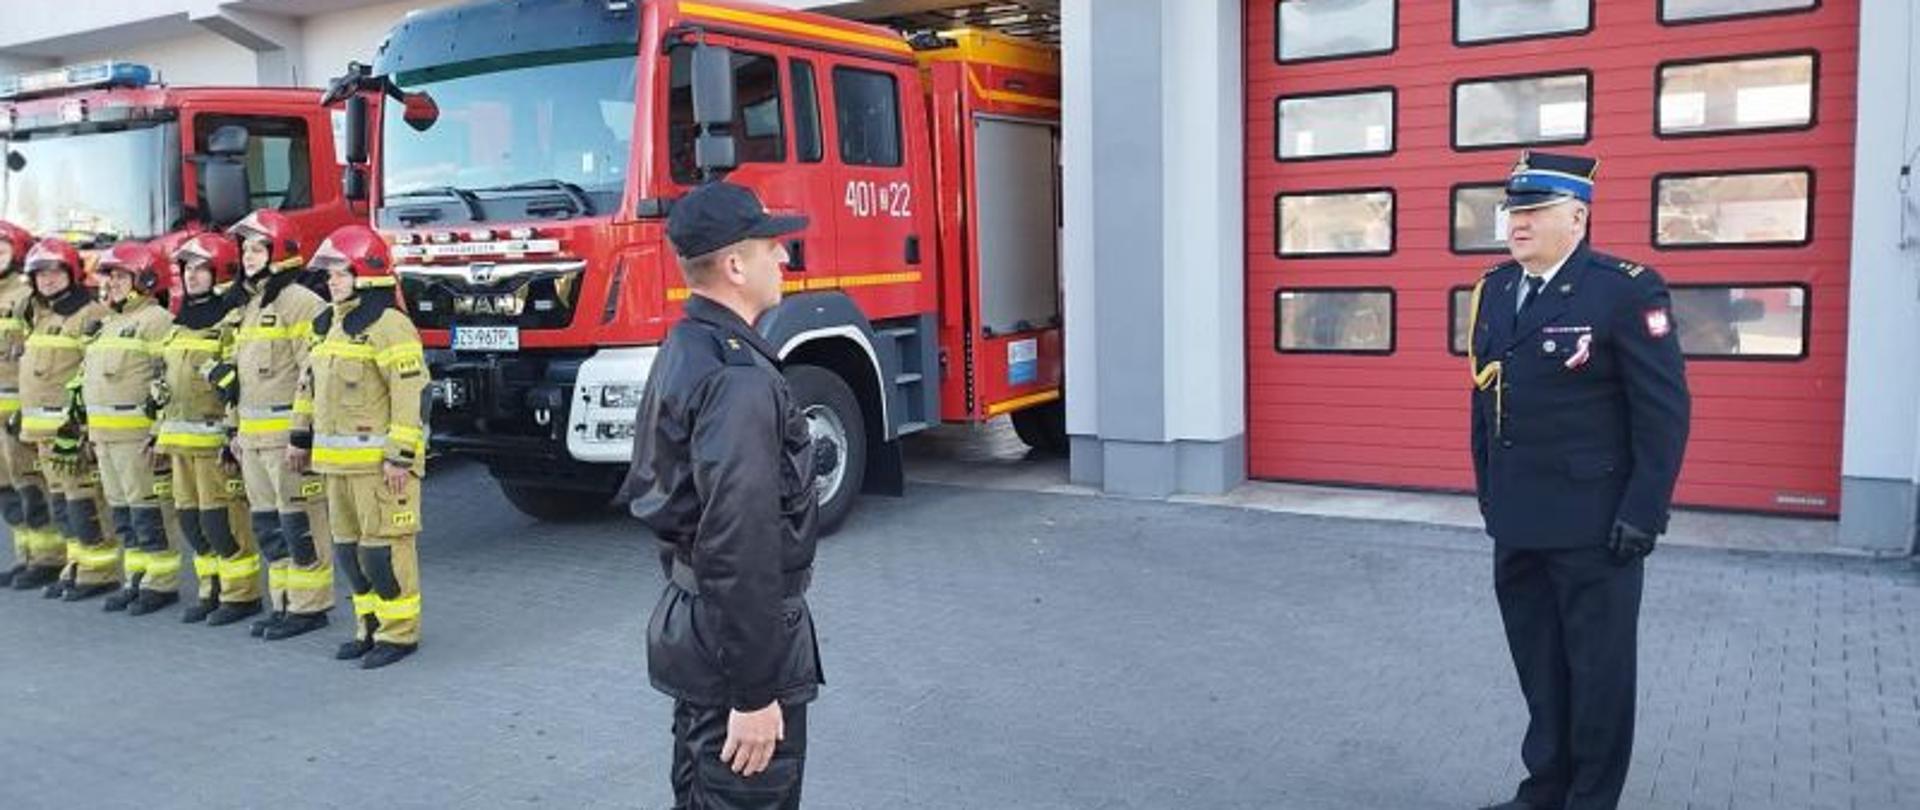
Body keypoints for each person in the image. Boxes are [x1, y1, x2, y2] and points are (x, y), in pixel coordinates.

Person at [1466, 151, 1691, 810]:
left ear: (1578, 216)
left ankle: (1590, 800)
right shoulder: (1498, 289)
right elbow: (1486, 402)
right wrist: (1489, 494)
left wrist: (1643, 512)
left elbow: (1664, 411)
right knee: (1540, 670)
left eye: (1534, 211)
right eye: (1514, 210)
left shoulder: (1624, 290)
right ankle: (1544, 792)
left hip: (1596, 527)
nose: (1518, 223)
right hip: (1519, 521)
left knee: (1598, 676)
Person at [620, 181, 823, 809]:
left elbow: (678, 509)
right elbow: (739, 544)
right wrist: (754, 696)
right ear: (735, 266)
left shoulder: (689, 345)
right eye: (772, 247)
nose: (783, 259)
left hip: (704, 631)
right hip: (740, 649)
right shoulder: (737, 378)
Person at [289, 224, 428, 669]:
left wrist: (400, 456)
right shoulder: (327, 325)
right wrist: (300, 437)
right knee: (350, 552)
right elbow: (307, 386)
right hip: (336, 467)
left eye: (340, 273)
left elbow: (412, 394)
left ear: (366, 273)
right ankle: (367, 627)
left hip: (378, 467)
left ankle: (399, 633)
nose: (332, 282)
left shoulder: (390, 326)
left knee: (383, 551)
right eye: (329, 275)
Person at [226, 210, 335, 640]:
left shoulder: (301, 303)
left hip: (285, 442)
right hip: (253, 441)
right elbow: (242, 377)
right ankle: (284, 603)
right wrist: (234, 430)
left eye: (258, 247)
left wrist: (302, 435)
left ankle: (311, 606)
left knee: (300, 526)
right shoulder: (252, 304)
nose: (249, 256)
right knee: (270, 528)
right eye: (246, 248)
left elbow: (312, 374)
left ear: (282, 251)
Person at [160, 233, 265, 625]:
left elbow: (240, 382)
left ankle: (241, 595)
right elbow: (165, 381)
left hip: (214, 442)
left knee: (223, 523)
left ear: (220, 271)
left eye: (201, 269)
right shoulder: (178, 322)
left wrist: (233, 433)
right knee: (192, 522)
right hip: (178, 442)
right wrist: (157, 429)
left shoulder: (230, 321)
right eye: (186, 268)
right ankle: (211, 589)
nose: (191, 276)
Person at [84, 241, 184, 615]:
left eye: (121, 276)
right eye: (110, 275)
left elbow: (167, 380)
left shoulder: (155, 320)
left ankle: (161, 583)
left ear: (145, 277)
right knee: (124, 513)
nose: (112, 283)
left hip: (137, 438)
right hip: (105, 437)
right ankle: (136, 578)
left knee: (149, 512)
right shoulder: (110, 323)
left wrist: (159, 431)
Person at [16, 238, 114, 600]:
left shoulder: (90, 314)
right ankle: (75, 565)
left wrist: (83, 426)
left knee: (84, 500)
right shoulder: (40, 314)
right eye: (40, 274)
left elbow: (95, 373)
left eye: (55, 271)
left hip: (70, 431)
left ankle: (98, 571)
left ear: (71, 273)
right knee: (62, 501)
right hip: (42, 432)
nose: (48, 279)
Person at [0, 221, 61, 590]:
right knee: (5, 487)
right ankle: (25, 554)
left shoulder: (25, 298)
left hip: (16, 409)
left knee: (31, 483)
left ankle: (49, 558)